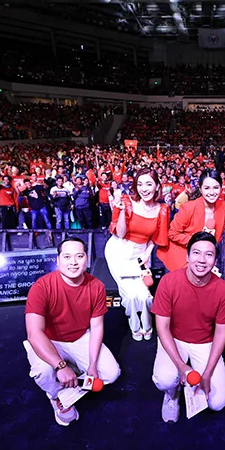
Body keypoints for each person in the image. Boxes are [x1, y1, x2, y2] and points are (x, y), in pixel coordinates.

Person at [24, 237, 121, 426]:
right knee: (44, 372)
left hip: (79, 337)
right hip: (49, 340)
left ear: (87, 259)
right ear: (58, 260)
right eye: (67, 256)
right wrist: (60, 366)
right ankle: (56, 397)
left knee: (111, 374)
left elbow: (97, 327)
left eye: (79, 256)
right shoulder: (41, 287)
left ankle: (71, 380)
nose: (73, 262)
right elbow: (34, 333)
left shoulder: (97, 287)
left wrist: (93, 365)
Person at [151, 232, 225, 423]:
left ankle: (195, 378)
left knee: (218, 402)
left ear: (215, 261)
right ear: (187, 257)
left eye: (209, 255)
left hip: (205, 342)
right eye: (196, 253)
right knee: (164, 379)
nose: (202, 260)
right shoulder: (169, 282)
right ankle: (172, 395)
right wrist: (181, 366)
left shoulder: (223, 289)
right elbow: (162, 328)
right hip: (174, 338)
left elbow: (222, 333)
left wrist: (207, 373)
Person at [104, 168, 170, 341]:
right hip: (119, 250)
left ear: (157, 187)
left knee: (144, 296)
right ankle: (135, 326)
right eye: (140, 184)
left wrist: (148, 254)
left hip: (141, 253)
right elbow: (119, 233)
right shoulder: (126, 202)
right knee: (131, 296)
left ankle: (147, 324)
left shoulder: (162, 210)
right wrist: (122, 213)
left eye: (149, 184)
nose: (144, 188)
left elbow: (156, 238)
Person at [156, 169, 225, 272]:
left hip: (205, 261)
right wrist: (196, 241)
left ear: (221, 188)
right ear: (200, 189)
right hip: (181, 258)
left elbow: (218, 237)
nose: (212, 192)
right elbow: (172, 233)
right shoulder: (188, 207)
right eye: (207, 188)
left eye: (216, 188)